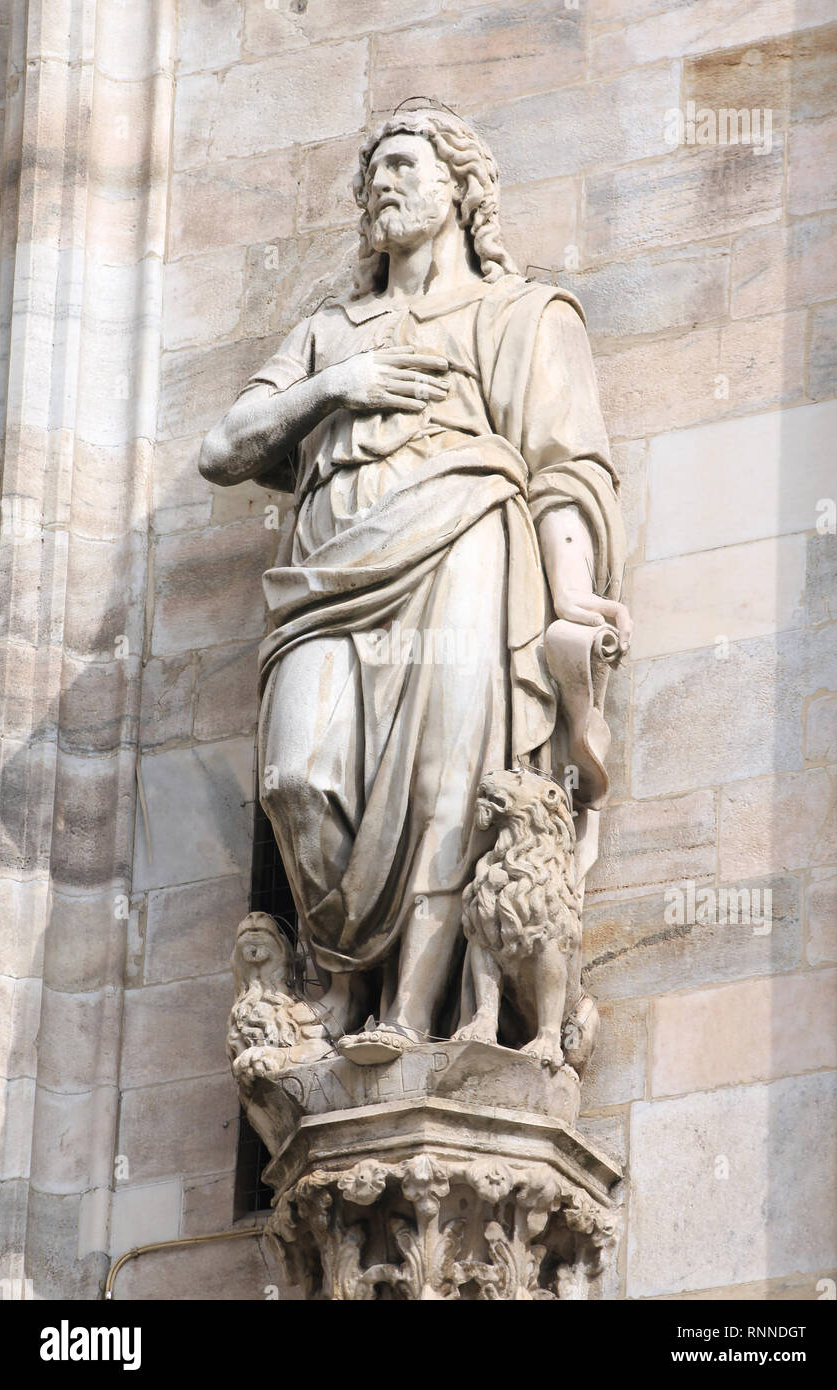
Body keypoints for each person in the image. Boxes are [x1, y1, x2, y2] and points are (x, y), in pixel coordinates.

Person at [199, 105, 630, 1061]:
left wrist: (570, 600)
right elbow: (223, 450)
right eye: (371, 176)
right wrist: (334, 387)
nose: (381, 185)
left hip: (466, 543)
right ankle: (342, 976)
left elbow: (565, 465)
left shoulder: (519, 315)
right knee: (297, 778)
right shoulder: (328, 332)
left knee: (451, 784)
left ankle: (411, 1013)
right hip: (327, 579)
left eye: (403, 164)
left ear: (461, 188)